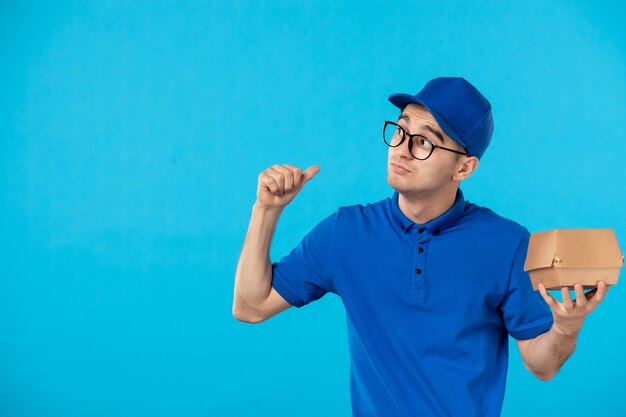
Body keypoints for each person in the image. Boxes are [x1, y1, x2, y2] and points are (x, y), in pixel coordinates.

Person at [232, 77, 610, 417]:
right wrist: (265, 211)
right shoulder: (345, 233)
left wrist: (565, 326)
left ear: (463, 168)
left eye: (425, 141)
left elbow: (542, 366)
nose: (401, 148)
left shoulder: (508, 244)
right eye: (400, 130)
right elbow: (250, 306)